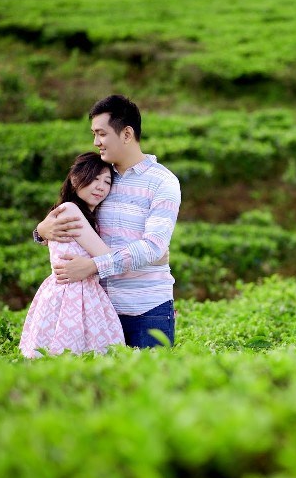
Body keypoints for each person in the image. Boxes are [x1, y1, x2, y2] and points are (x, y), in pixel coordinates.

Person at [34, 95, 181, 348]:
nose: (96, 142)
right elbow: (69, 211)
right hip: (97, 311)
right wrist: (40, 231)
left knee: (150, 385)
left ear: (126, 134)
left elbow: (153, 247)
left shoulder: (163, 182)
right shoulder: (98, 176)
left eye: (101, 134)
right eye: (94, 134)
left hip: (148, 310)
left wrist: (93, 266)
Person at [20, 152, 126, 358]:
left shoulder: (83, 214)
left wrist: (39, 231)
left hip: (82, 294)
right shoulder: (70, 210)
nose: (101, 187)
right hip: (72, 296)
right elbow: (107, 257)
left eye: (107, 182)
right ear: (76, 179)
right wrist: (155, 257)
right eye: (94, 179)